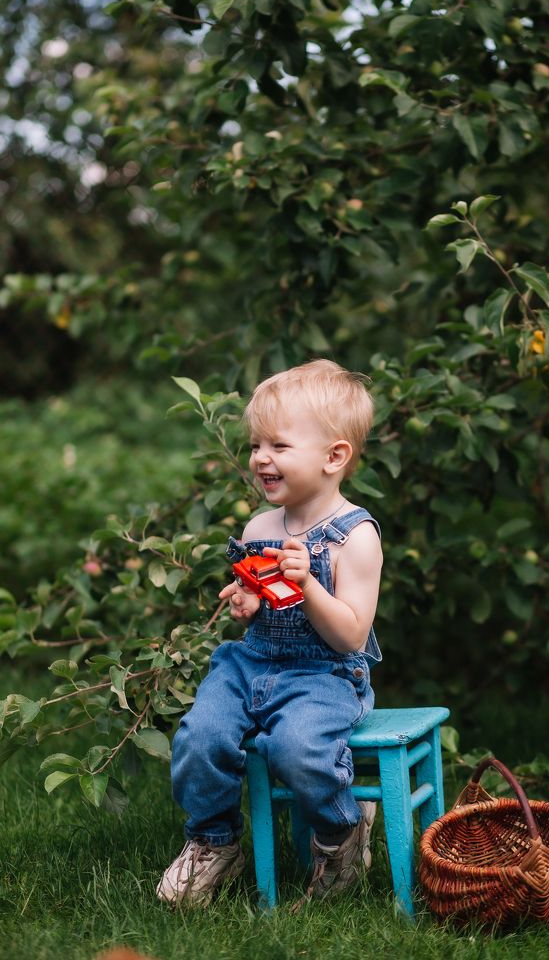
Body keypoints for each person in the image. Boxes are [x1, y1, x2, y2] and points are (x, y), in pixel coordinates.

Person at [156, 359, 383, 907]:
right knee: (199, 734)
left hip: (324, 673)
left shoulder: (356, 537)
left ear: (334, 457)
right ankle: (213, 842)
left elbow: (352, 636)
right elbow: (264, 598)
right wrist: (248, 598)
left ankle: (339, 835)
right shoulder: (261, 526)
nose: (261, 458)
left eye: (279, 446)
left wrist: (308, 584)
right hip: (252, 662)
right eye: (257, 445)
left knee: (298, 747)